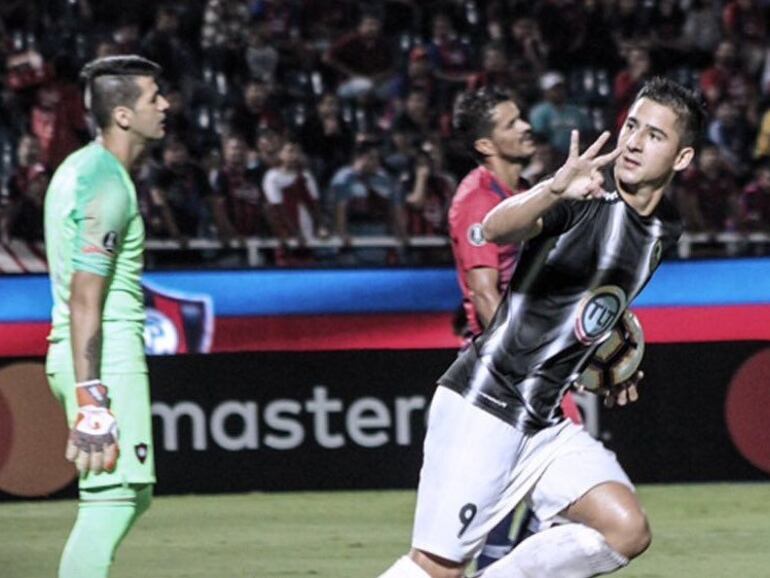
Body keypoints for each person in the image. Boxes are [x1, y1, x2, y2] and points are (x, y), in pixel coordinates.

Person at [378, 76, 704, 578]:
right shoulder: (584, 193)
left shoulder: (665, 228)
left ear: (682, 158)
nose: (634, 142)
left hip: (544, 421)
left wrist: (615, 360)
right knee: (438, 569)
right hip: (486, 404)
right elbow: (497, 228)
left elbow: (595, 304)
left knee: (625, 531)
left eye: (654, 135)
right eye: (631, 126)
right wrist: (554, 188)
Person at [445, 88, 583, 571]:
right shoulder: (476, 201)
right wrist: (535, 366)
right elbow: (485, 298)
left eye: (522, 117)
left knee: (542, 497)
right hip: (507, 373)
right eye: (510, 123)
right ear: (486, 145)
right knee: (571, 496)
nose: (525, 126)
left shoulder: (522, 192)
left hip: (528, 367)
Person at [44, 55, 168, 578]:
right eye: (153, 98)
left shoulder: (82, 168)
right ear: (122, 114)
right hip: (105, 358)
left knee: (128, 495)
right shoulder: (107, 184)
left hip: (85, 355)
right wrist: (92, 397)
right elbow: (85, 297)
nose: (165, 105)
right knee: (112, 502)